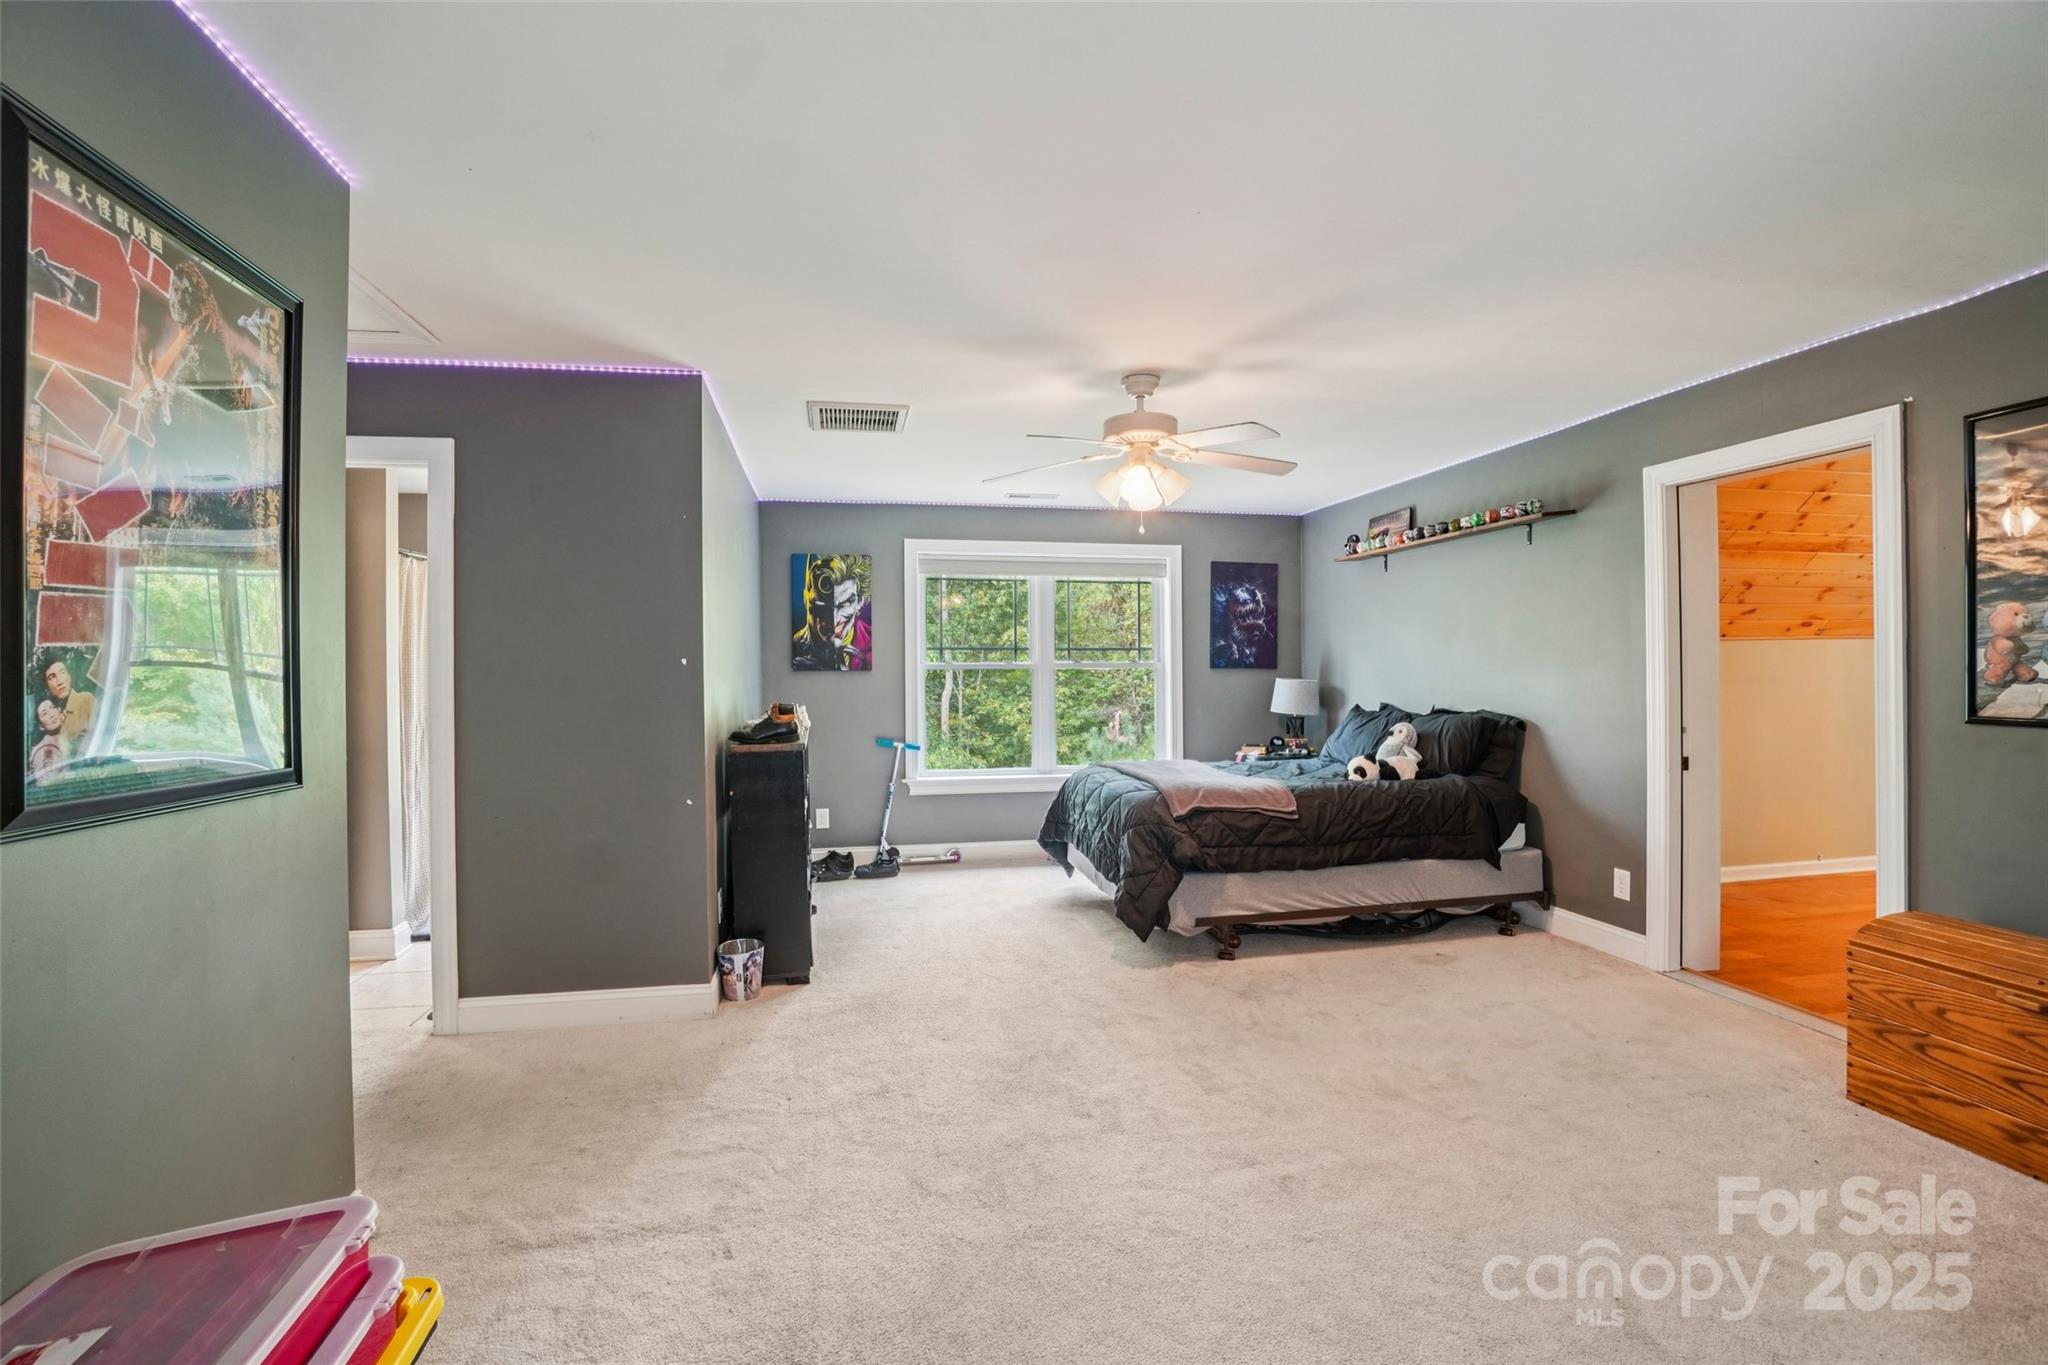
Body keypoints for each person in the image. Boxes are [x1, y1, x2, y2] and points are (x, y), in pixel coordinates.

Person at [792, 555, 871, 671]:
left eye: (845, 604)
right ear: (805, 599)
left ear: (859, 602)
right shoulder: (793, 647)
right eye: (822, 605)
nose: (834, 618)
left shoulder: (874, 647)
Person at [41, 657, 95, 749]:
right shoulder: (50, 714)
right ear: (47, 686)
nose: (60, 682)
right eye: (52, 677)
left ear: (69, 677)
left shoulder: (86, 700)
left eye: (62, 673)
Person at [28, 698, 66, 778]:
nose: (52, 715)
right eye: (45, 713)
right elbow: (46, 783)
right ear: (41, 726)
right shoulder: (45, 750)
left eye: (52, 708)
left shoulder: (69, 736)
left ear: (59, 710)